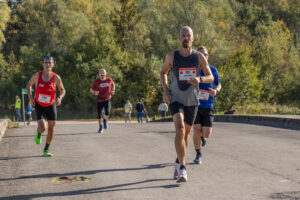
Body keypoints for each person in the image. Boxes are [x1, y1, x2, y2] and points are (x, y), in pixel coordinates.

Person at [160, 26, 214, 183]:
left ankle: (178, 161)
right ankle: (183, 169)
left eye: (188, 35)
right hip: (176, 98)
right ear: (179, 38)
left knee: (186, 134)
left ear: (193, 38)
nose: (185, 38)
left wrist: (200, 79)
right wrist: (166, 91)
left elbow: (210, 77)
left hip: (192, 101)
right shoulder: (172, 57)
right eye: (183, 35)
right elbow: (163, 72)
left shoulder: (199, 57)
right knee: (180, 126)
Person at [26, 56, 66, 157]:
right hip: (39, 104)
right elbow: (29, 85)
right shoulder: (37, 76)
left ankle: (46, 149)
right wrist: (30, 98)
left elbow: (63, 90)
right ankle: (38, 133)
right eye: (46, 62)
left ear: (53, 64)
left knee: (51, 128)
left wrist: (60, 98)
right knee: (43, 127)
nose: (48, 64)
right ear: (43, 64)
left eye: (50, 63)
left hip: (51, 105)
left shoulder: (56, 77)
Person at [193, 46, 221, 164]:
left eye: (204, 54)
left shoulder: (213, 70)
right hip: (195, 105)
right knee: (196, 129)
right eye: (199, 55)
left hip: (208, 105)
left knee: (206, 133)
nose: (202, 56)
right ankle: (198, 153)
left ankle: (202, 138)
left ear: (207, 57)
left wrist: (216, 91)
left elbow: (218, 85)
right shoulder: (194, 70)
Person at [90, 69, 115, 133]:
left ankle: (105, 121)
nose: (102, 74)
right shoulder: (96, 81)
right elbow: (91, 89)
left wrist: (113, 90)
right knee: (99, 115)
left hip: (107, 99)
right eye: (100, 73)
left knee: (107, 112)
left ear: (105, 74)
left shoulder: (109, 80)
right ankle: (101, 127)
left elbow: (113, 84)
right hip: (99, 100)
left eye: (103, 73)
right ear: (99, 74)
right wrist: (94, 92)